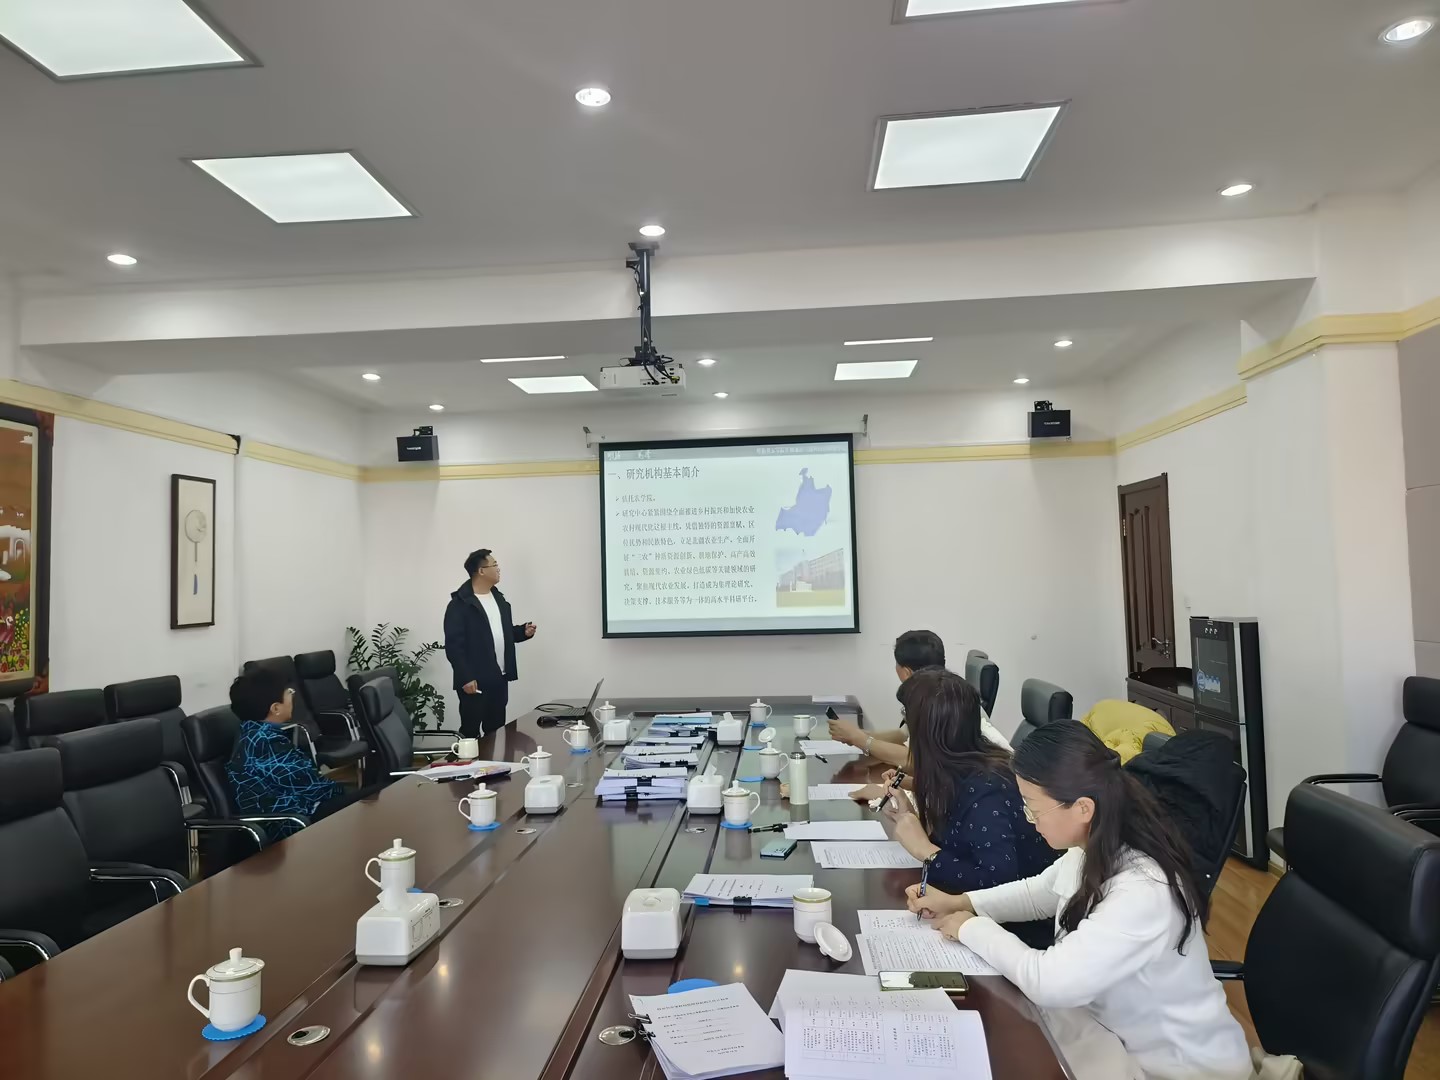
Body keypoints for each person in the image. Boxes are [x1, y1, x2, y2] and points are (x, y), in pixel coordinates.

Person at [905, 721, 1250, 1080]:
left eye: (1034, 809)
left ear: (1083, 807)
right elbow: (1040, 892)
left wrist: (971, 927)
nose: (1030, 820)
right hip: (1112, 1032)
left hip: (1180, 1067)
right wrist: (961, 902)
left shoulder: (1144, 890)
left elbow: (1048, 981)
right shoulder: (1100, 841)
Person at [869, 669, 1054, 893]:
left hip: (1018, 912)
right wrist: (909, 816)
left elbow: (998, 883)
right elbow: (959, 849)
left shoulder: (987, 789)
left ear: (928, 733)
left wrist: (925, 850)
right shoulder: (961, 767)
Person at [226, 669, 367, 838]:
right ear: (276, 708)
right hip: (294, 823)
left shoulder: (255, 733)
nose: (292, 696)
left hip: (302, 810)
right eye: (289, 693)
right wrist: (342, 791)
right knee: (373, 799)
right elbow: (311, 786)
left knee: (370, 798)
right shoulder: (266, 742)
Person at [443, 548, 536, 738]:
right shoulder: (460, 604)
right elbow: (454, 646)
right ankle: (469, 759)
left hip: (499, 676)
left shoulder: (498, 599)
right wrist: (465, 677)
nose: (498, 569)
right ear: (481, 571)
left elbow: (501, 632)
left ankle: (494, 759)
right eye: (494, 565)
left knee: (496, 731)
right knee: (470, 732)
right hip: (474, 681)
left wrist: (522, 632)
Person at [828, 629, 945, 768]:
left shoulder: (934, 704)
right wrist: (857, 735)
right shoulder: (941, 690)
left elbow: (915, 760)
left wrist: (860, 739)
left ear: (906, 673)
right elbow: (904, 736)